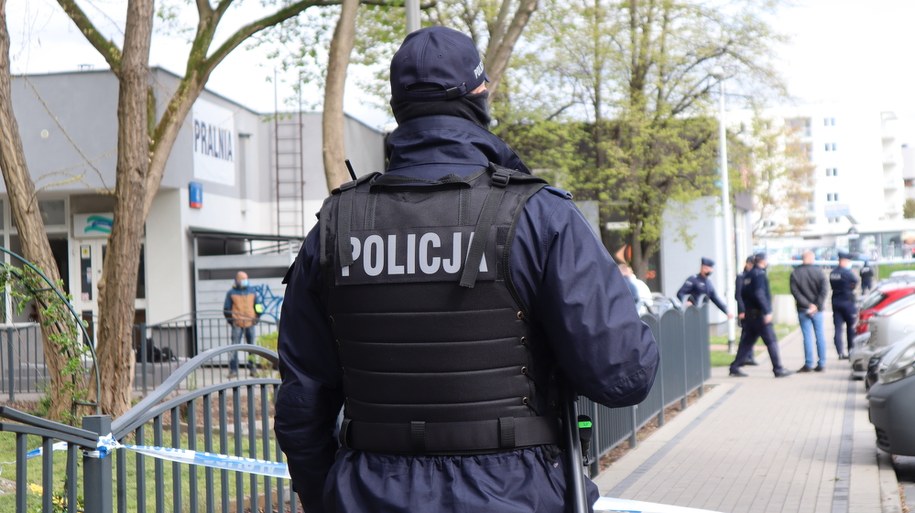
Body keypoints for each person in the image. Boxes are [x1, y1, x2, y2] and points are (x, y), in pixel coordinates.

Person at [273, 26, 660, 513]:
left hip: (367, 492)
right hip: (514, 494)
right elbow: (622, 373)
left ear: (398, 105)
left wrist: (327, 495)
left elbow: (302, 403)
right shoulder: (540, 216)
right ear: (479, 94)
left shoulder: (334, 228)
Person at [729, 253, 792, 378]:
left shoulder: (747, 275)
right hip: (759, 316)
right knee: (771, 341)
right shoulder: (759, 274)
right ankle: (778, 369)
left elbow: (743, 295)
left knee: (747, 342)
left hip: (750, 315)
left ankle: (735, 367)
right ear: (763, 261)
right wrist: (767, 311)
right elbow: (759, 293)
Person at [789, 250, 828, 372]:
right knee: (820, 335)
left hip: (803, 309)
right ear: (812, 259)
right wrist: (816, 305)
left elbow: (795, 292)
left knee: (807, 337)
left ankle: (809, 363)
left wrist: (807, 305)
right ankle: (822, 363)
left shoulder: (795, 273)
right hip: (818, 310)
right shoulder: (819, 272)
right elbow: (824, 290)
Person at [223, 271, 263, 378]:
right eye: (243, 279)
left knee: (252, 348)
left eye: (246, 278)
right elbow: (226, 309)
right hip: (237, 324)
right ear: (237, 280)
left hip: (250, 323)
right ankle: (233, 370)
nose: (245, 281)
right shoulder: (231, 293)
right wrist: (232, 321)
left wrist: (257, 317)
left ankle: (253, 369)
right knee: (234, 347)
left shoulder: (252, 291)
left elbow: (258, 305)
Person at [830, 252, 858, 359]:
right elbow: (855, 282)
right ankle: (851, 351)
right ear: (844, 261)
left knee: (838, 328)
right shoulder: (848, 273)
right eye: (848, 261)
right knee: (851, 328)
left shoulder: (833, 273)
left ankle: (840, 352)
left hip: (836, 302)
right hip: (848, 303)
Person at [734, 256, 758, 366]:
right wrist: (741, 311)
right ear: (748, 264)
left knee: (750, 334)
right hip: (745, 310)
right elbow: (738, 295)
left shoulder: (754, 276)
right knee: (745, 335)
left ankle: (749, 356)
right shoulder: (741, 277)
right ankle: (743, 358)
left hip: (753, 311)